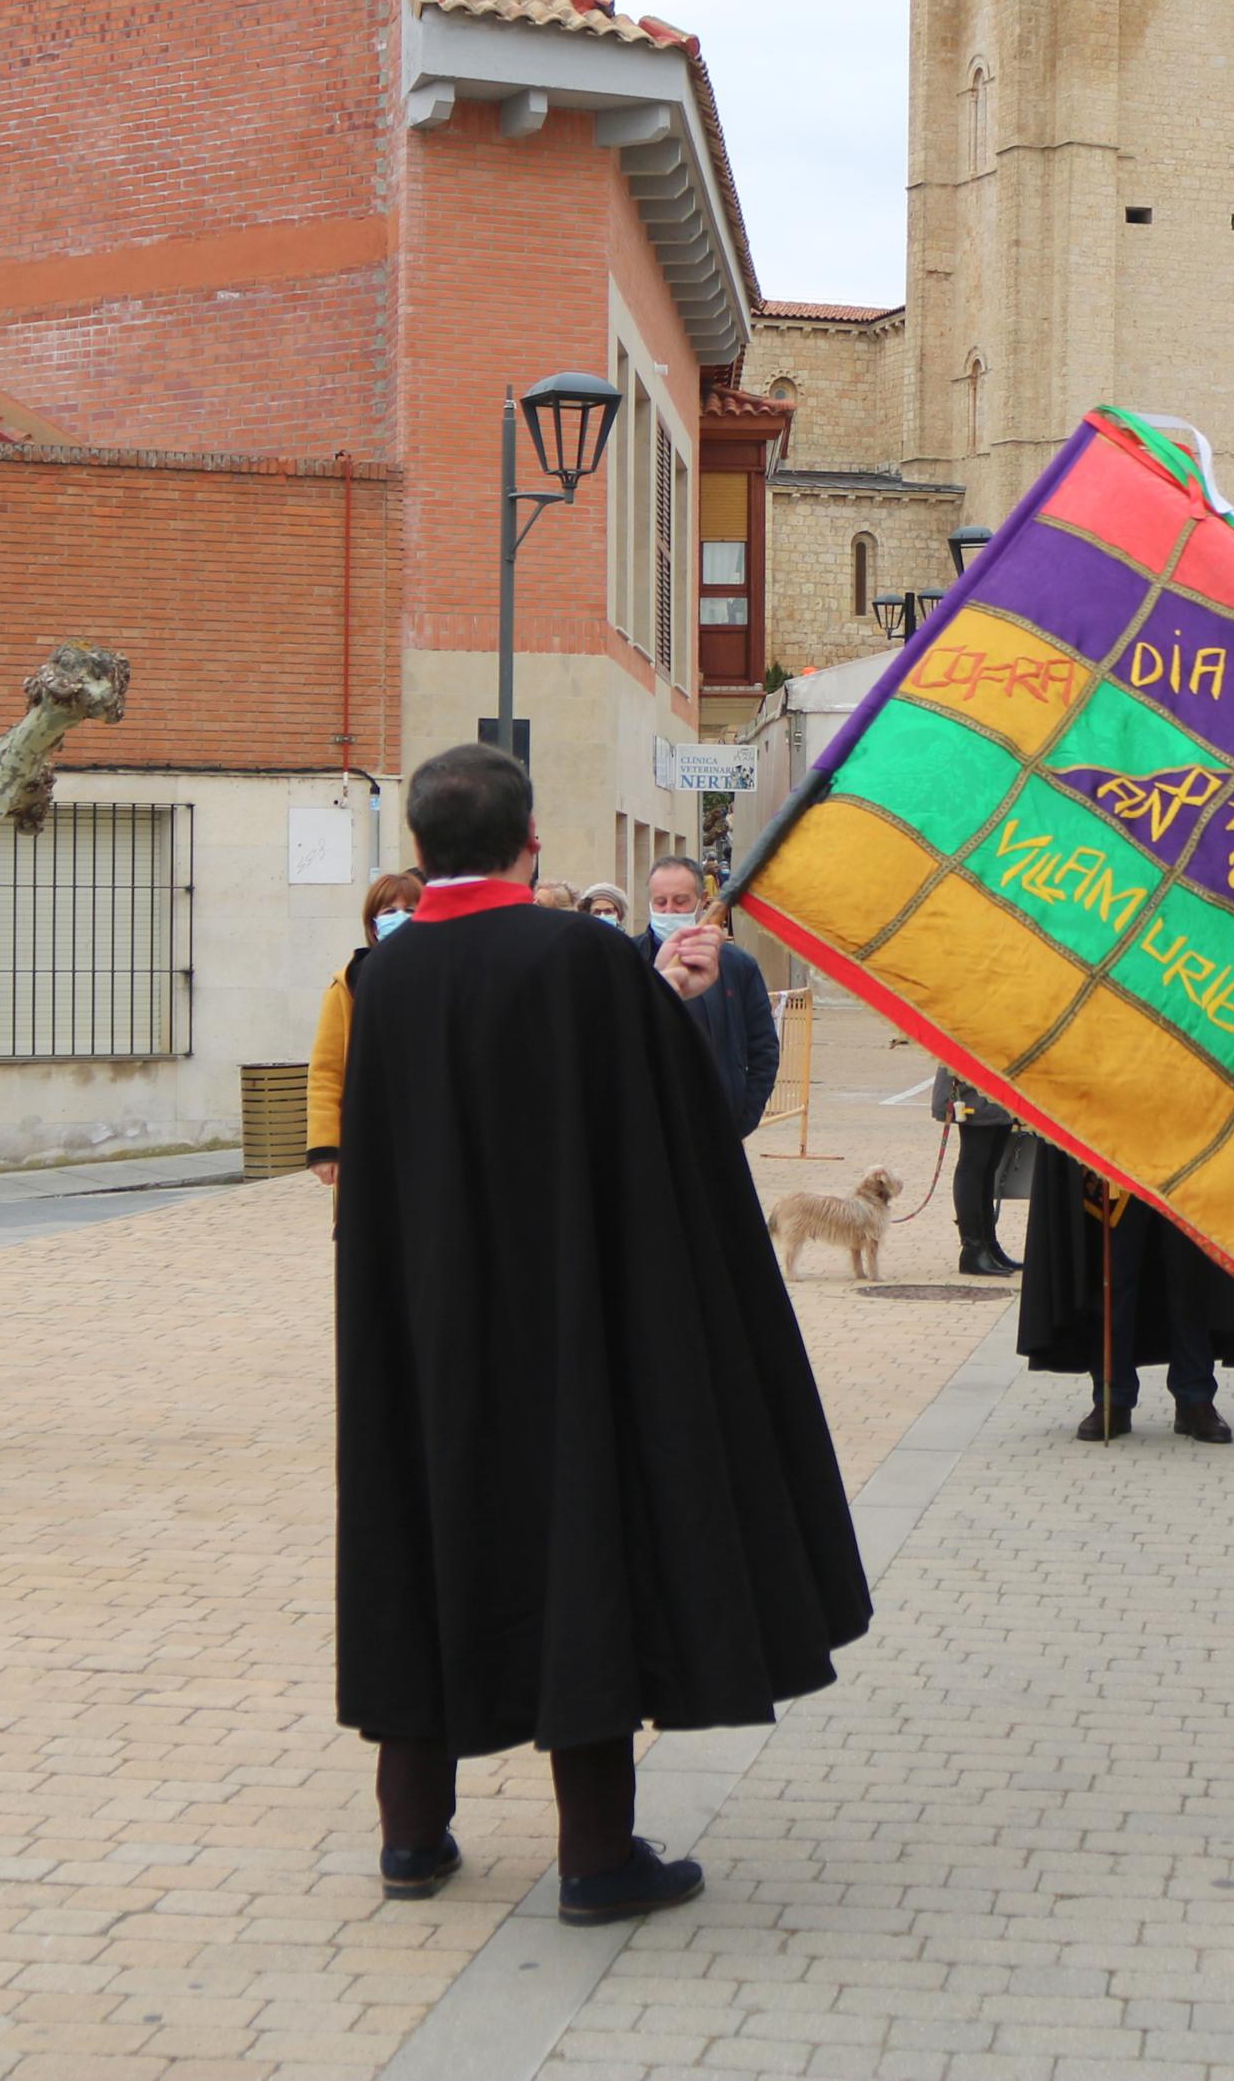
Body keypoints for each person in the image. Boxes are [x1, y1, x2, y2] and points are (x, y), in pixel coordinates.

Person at [337, 742, 868, 1924]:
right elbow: (660, 1126)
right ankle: (593, 1856)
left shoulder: (385, 975)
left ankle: (411, 1839)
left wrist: (655, 997)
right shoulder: (580, 956)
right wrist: (672, 1004)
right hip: (564, 1318)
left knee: (418, 1542)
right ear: (530, 844)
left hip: (423, 1328)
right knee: (578, 1544)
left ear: (418, 850)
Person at [1020, 1145, 1234, 1441]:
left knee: (1191, 1272)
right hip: (1116, 1145)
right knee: (1112, 1275)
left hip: (1188, 1142)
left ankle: (1194, 1395)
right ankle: (1112, 1395)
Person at [642, 855, 782, 1139]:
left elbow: (763, 1048)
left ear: (702, 899)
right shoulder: (625, 959)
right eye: (660, 902)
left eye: (680, 901)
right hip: (648, 1127)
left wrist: (743, 1116)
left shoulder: (738, 966)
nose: (669, 910)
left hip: (717, 1123)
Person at [304, 868, 421, 1190]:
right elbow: (326, 1072)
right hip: (368, 1139)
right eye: (389, 911)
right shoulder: (348, 985)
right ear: (373, 923)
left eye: (411, 910)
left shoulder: (443, 977)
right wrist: (325, 1147)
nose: (401, 918)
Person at [929, 1072, 1025, 1278]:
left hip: (1002, 1083)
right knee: (974, 1165)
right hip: (975, 1082)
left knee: (989, 1167)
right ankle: (973, 1249)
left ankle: (988, 1244)